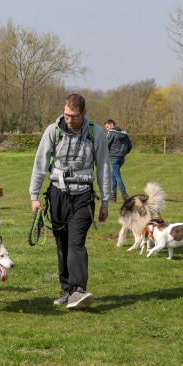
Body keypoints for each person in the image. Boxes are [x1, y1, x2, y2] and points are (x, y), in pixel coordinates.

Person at [29, 93, 111, 309]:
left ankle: (78, 291)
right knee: (62, 244)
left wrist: (105, 201)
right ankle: (66, 289)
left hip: (83, 196)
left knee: (76, 242)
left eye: (74, 116)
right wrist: (34, 196)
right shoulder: (52, 131)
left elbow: (103, 167)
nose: (69, 119)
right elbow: (40, 163)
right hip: (57, 194)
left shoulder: (96, 134)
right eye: (66, 115)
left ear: (84, 113)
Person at [105, 119, 132, 202]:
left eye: (107, 126)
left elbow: (106, 144)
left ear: (112, 124)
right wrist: (123, 153)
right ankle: (113, 196)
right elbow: (130, 146)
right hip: (121, 158)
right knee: (113, 175)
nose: (107, 129)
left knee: (117, 175)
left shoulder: (111, 133)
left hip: (114, 158)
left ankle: (124, 195)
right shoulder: (125, 134)